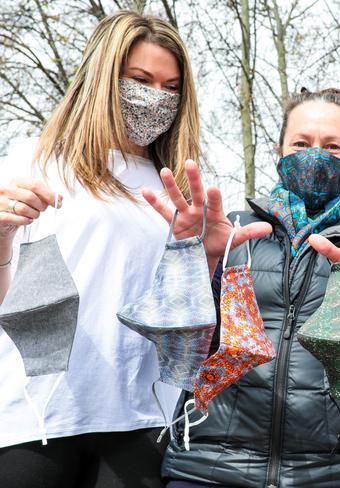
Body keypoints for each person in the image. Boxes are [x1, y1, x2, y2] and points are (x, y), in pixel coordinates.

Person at [0, 11, 268, 488]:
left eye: (170, 87)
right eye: (140, 80)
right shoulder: (33, 160)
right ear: (103, 78)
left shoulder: (182, 191)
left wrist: (208, 261)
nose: (155, 98)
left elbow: (191, 328)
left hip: (141, 420)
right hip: (35, 417)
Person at [150, 88, 340, 488]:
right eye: (301, 143)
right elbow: (179, 349)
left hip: (338, 474)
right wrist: (201, 260)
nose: (315, 156)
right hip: (210, 468)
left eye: (333, 147)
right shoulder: (232, 232)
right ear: (279, 151)